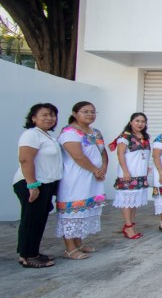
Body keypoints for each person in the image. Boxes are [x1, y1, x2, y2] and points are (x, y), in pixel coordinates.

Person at [13, 103, 63, 268]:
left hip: (44, 183)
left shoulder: (46, 136)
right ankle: (28, 256)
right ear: (34, 118)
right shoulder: (31, 134)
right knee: (31, 220)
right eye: (44, 115)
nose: (49, 118)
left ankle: (31, 252)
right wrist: (32, 185)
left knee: (38, 220)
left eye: (52, 115)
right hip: (32, 183)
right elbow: (25, 159)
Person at [56, 101, 107, 259]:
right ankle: (70, 248)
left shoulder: (95, 132)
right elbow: (78, 156)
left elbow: (103, 152)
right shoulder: (69, 132)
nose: (90, 114)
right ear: (74, 113)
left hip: (93, 177)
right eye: (86, 111)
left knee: (84, 210)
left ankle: (79, 243)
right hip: (76, 178)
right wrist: (95, 170)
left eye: (93, 112)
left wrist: (103, 168)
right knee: (72, 211)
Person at [110, 112, 151, 239]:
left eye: (143, 121)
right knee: (127, 201)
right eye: (137, 121)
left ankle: (132, 224)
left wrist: (146, 167)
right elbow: (120, 154)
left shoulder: (144, 137)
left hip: (140, 173)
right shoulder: (125, 137)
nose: (140, 124)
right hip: (129, 174)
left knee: (134, 201)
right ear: (131, 122)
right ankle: (128, 226)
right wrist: (125, 171)